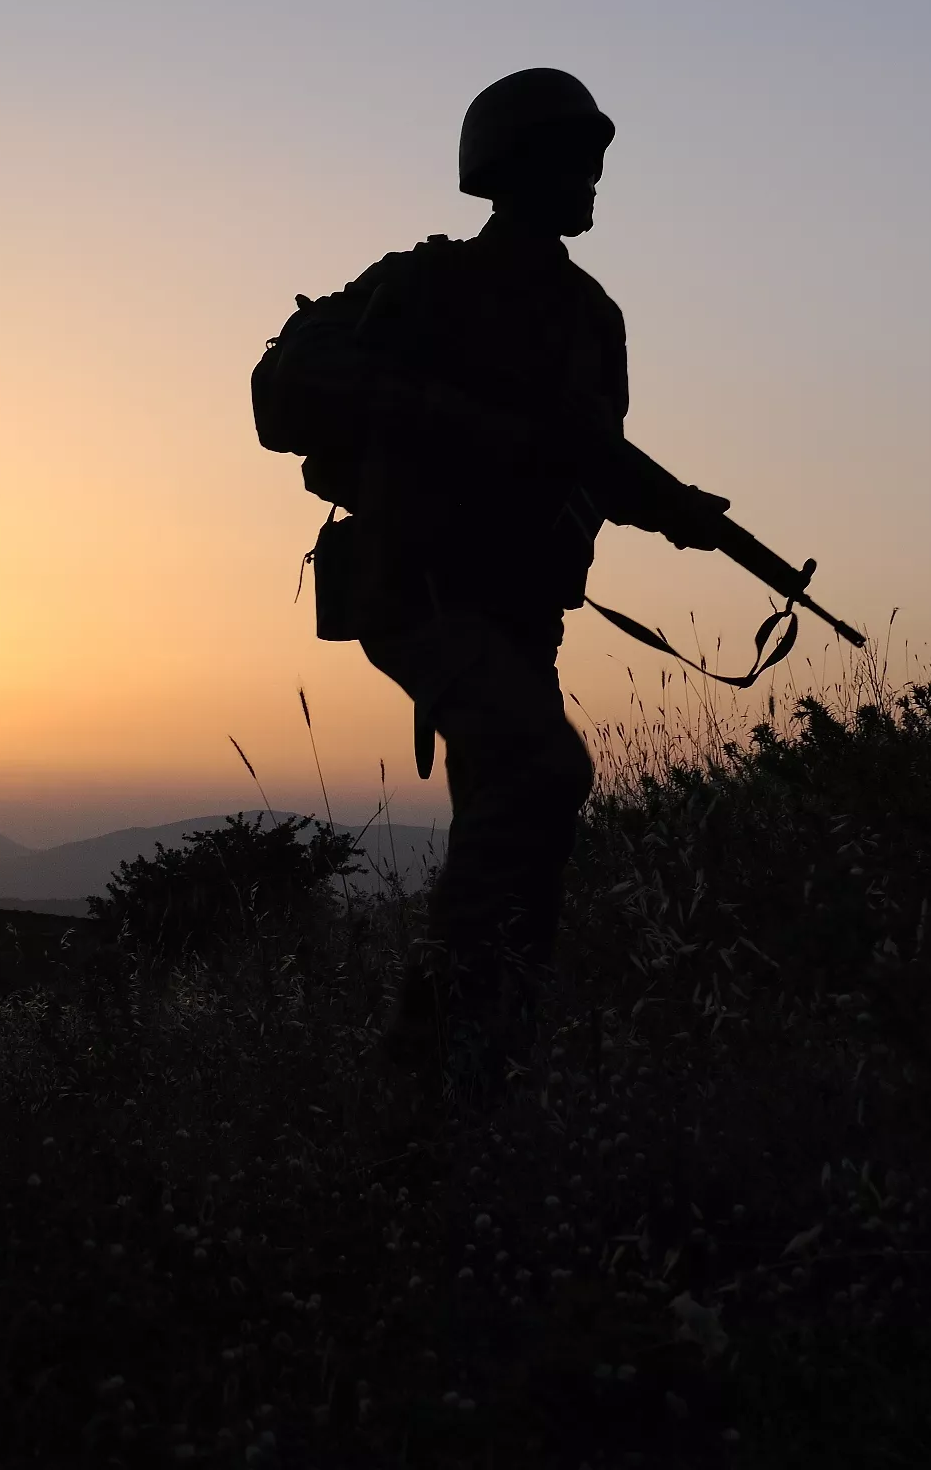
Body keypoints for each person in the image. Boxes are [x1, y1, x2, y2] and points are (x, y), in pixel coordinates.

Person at [251, 68, 735, 1101]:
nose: (593, 181)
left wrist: (682, 509)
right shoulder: (421, 285)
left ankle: (492, 1061)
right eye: (574, 161)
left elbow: (594, 456)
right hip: (418, 588)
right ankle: (427, 1055)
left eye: (596, 161)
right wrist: (444, 421)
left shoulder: (588, 316)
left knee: (512, 827)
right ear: (513, 171)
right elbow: (280, 395)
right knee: (541, 772)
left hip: (520, 611)